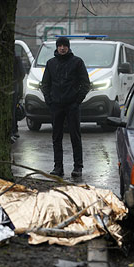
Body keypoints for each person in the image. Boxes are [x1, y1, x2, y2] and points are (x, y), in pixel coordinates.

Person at [40, 36, 91, 178]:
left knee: (75, 136)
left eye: (64, 45)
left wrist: (77, 101)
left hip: (72, 106)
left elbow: (85, 83)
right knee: (56, 137)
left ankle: (78, 167)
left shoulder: (77, 62)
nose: (62, 48)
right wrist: (49, 101)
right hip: (56, 105)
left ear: (68, 47)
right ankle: (58, 167)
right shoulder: (51, 63)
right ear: (57, 47)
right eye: (60, 45)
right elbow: (45, 84)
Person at [12, 53, 25, 142]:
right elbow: (22, 73)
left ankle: (13, 130)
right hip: (14, 87)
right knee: (13, 110)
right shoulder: (16, 57)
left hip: (11, 87)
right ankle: (14, 130)